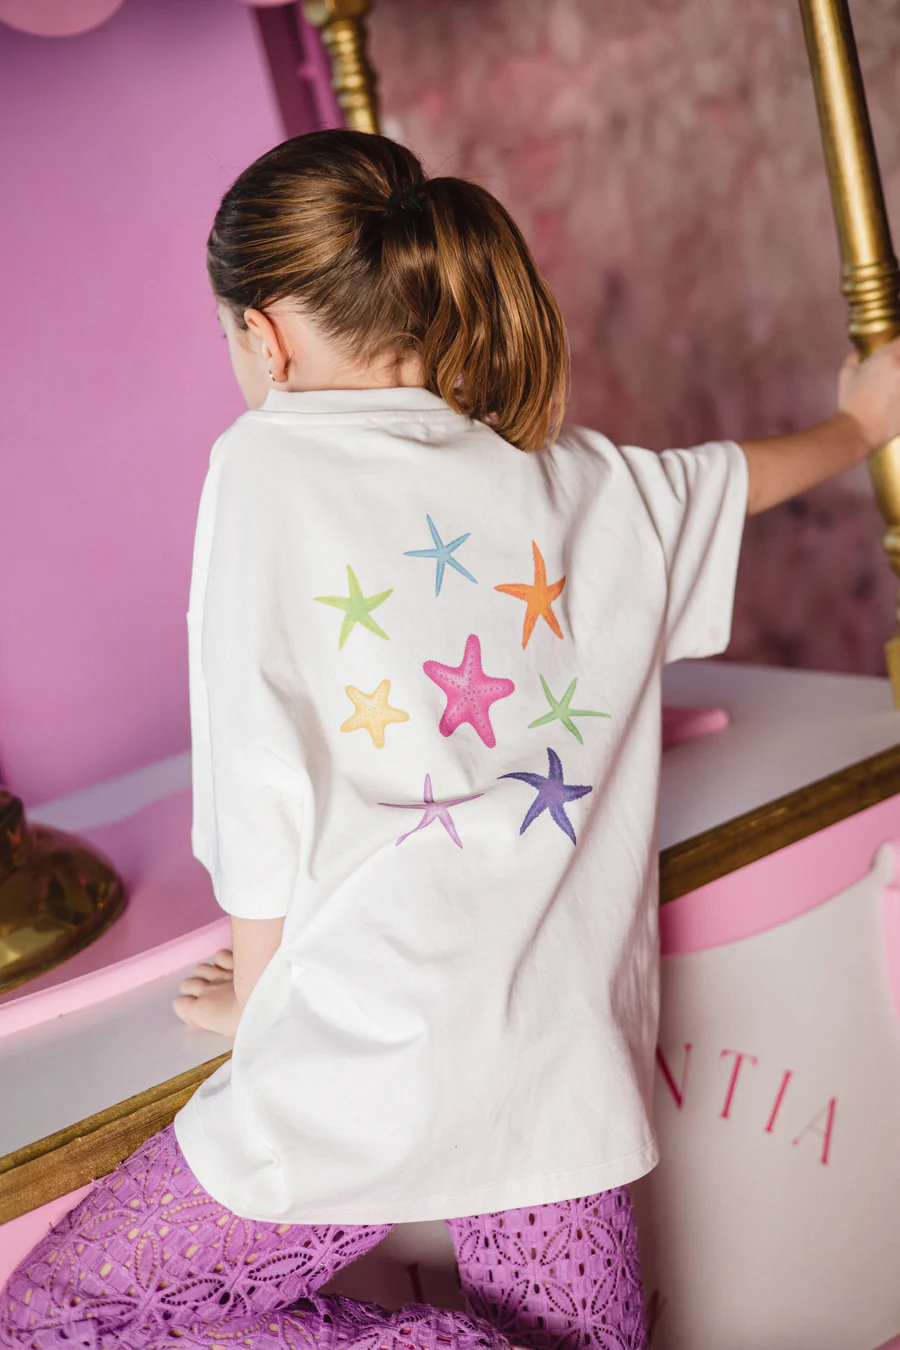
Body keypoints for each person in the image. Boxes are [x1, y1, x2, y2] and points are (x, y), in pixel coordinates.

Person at [5, 129, 900, 1350]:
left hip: (366, 1071)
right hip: (560, 1073)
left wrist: (262, 1000)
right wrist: (860, 427)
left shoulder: (266, 465)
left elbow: (259, 784)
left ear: (264, 335)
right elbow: (723, 483)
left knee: (58, 1317)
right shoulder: (568, 475)